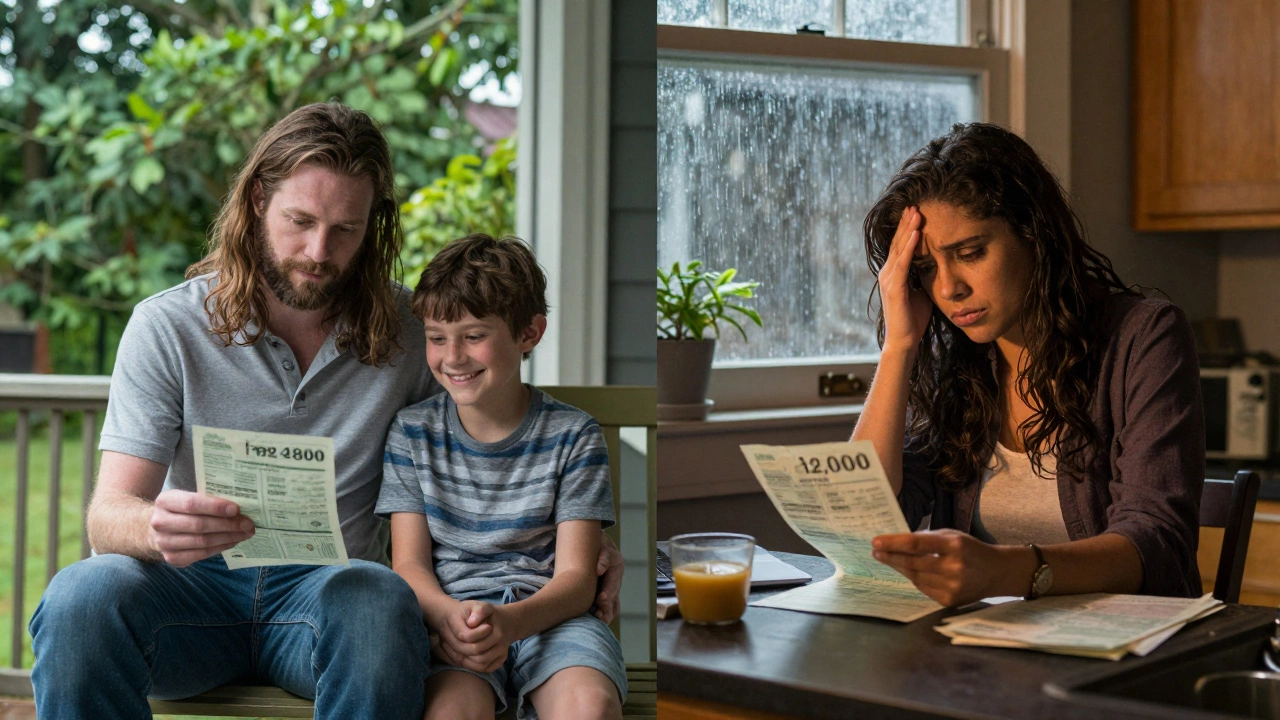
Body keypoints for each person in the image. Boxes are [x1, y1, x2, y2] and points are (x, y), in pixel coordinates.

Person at [28, 102, 623, 720]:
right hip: (190, 594)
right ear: (258, 199)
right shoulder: (167, 326)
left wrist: (588, 546)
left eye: (346, 229)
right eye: (300, 220)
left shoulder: (418, 331)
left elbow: (489, 430)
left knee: (375, 599)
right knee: (79, 596)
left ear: (373, 226)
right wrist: (154, 527)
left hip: (331, 598)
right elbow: (108, 516)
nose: (319, 250)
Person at [853, 122, 1204, 608]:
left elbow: (1157, 541)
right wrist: (898, 348)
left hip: (1123, 652)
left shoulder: (1144, 338)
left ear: (1033, 235)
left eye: (970, 253)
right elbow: (867, 519)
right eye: (927, 268)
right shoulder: (963, 364)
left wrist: (1007, 571)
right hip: (989, 652)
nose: (949, 288)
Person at [378, 233, 626, 720]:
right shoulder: (412, 434)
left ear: (530, 333)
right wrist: (452, 619)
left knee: (589, 708)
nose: (452, 357)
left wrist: (509, 623)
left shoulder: (573, 435)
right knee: (449, 713)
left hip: (555, 620)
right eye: (436, 338)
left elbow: (577, 579)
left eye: (474, 336)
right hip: (455, 625)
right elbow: (410, 566)